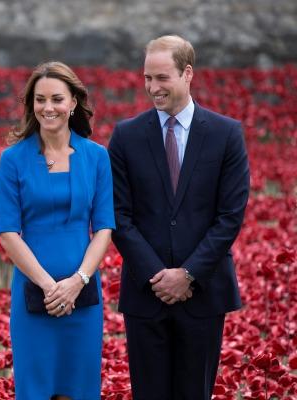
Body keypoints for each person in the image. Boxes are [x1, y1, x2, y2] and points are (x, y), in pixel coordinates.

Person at [108, 35, 250, 399]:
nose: (153, 88)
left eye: (162, 78)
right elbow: (119, 215)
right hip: (145, 293)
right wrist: (158, 276)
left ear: (188, 73)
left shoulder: (226, 134)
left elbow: (230, 215)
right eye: (147, 78)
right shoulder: (126, 136)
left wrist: (187, 275)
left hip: (202, 292)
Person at [0, 61, 115, 399]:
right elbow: (7, 231)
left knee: (79, 389)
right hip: (35, 292)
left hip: (84, 292)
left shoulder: (96, 157)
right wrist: (50, 287)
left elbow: (104, 227)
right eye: (40, 99)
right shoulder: (13, 159)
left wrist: (78, 281)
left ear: (74, 102)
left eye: (57, 99)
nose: (48, 108)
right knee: (36, 389)